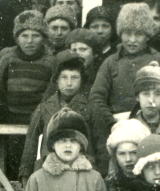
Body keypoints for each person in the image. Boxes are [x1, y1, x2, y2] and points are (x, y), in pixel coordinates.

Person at [20, 51, 114, 182]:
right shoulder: (44, 108)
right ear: (56, 80)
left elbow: (101, 145)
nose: (69, 83)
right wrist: (25, 174)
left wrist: (102, 175)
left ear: (82, 80)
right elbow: (31, 143)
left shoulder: (92, 108)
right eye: (64, 77)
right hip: (50, 171)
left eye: (74, 77)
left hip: (83, 172)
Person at [0, 10, 55, 127]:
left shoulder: (51, 61)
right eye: (24, 35)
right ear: (17, 38)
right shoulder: (9, 58)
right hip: (11, 121)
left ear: (44, 38)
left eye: (35, 35)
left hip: (40, 123)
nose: (29, 41)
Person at [90, 3, 160, 116]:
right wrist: (111, 122)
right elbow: (97, 97)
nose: (132, 40)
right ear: (120, 34)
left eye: (138, 34)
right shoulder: (111, 62)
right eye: (127, 33)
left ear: (147, 36)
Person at [130, 61, 160, 147]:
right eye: (145, 94)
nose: (151, 100)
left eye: (158, 94)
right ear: (137, 97)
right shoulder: (127, 129)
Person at [105, 118, 152, 191]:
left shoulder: (151, 178)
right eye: (122, 154)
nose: (128, 159)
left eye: (134, 152)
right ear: (115, 155)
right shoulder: (111, 183)